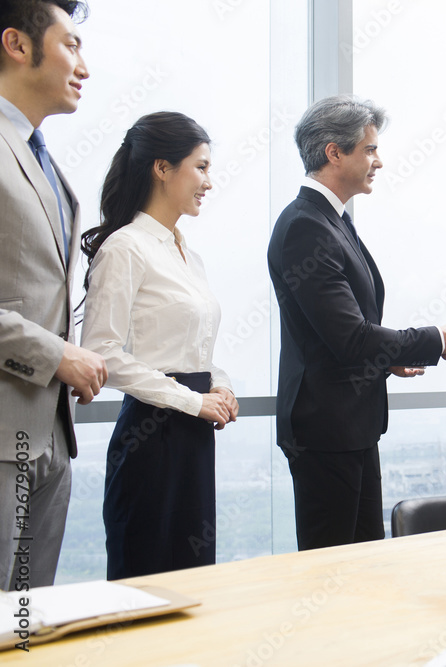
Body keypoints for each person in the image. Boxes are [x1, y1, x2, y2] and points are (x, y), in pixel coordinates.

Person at [268, 95, 446, 550]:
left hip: (350, 426)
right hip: (325, 432)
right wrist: (437, 340)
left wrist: (384, 361)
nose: (378, 162)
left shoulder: (331, 220)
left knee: (366, 558)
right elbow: (349, 336)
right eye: (369, 150)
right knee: (335, 568)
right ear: (333, 152)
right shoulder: (307, 226)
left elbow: (339, 332)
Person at [80, 112, 239, 579]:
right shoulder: (125, 247)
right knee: (144, 583)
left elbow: (195, 349)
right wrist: (193, 401)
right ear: (162, 168)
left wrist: (221, 385)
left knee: (193, 584)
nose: (209, 181)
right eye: (202, 167)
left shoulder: (189, 254)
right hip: (151, 434)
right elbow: (103, 351)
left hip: (194, 433)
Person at [0, 0, 105, 591]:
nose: (84, 67)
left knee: (25, 631)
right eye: (71, 45)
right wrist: (57, 355)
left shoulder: (45, 162)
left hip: (48, 438)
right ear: (17, 44)